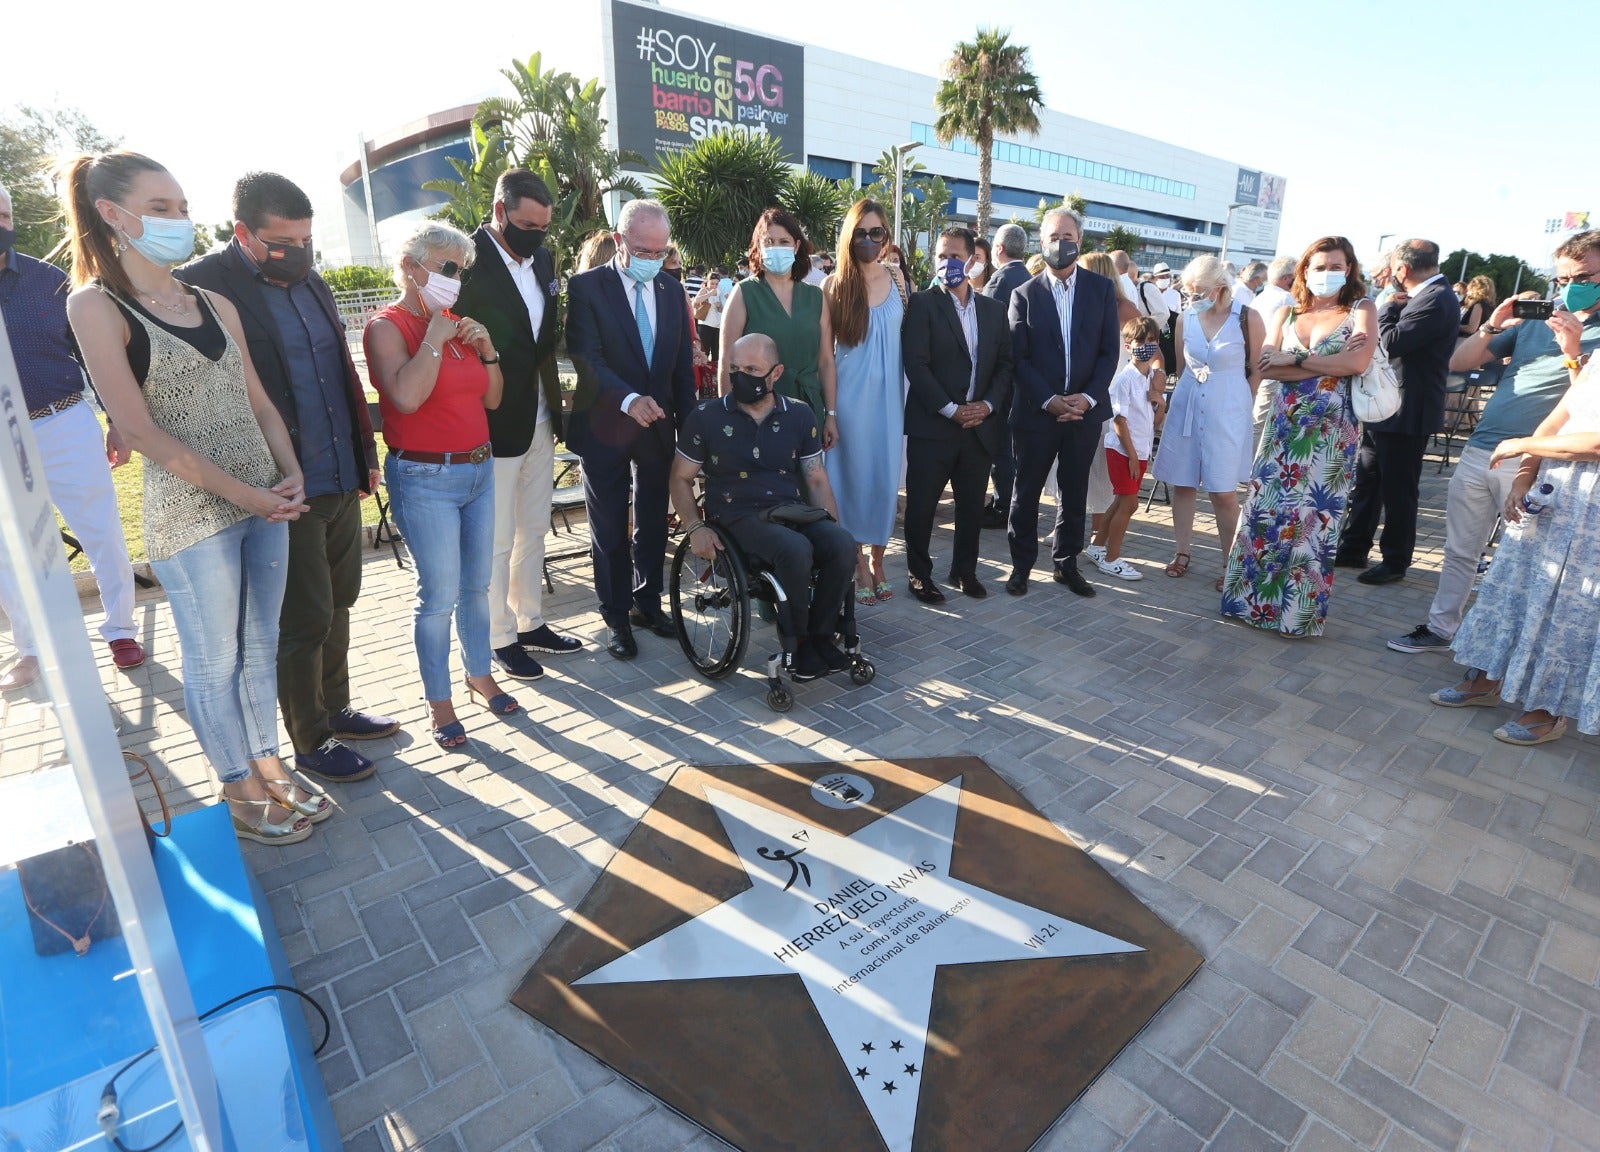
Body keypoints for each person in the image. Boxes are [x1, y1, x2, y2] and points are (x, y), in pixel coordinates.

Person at [64, 151, 317, 845]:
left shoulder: (217, 304)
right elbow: (139, 431)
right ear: (113, 215)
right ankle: (236, 786)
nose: (179, 221)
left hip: (267, 502)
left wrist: (288, 473)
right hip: (191, 516)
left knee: (261, 649)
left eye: (181, 207)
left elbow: (259, 402)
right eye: (161, 208)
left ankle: (269, 764)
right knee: (215, 661)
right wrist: (250, 496)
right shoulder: (94, 306)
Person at [177, 171, 393, 783]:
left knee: (341, 601)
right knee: (303, 618)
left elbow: (338, 374)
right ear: (242, 233)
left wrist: (363, 450)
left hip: (340, 473)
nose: (297, 252)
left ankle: (336, 706)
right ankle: (310, 738)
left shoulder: (313, 283)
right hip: (278, 487)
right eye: (282, 242)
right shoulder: (199, 288)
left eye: (306, 239)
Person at [1389, 230, 1600, 654]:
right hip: (1483, 448)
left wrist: (1572, 349)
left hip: (1540, 462)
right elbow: (1459, 361)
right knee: (1460, 549)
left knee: (1527, 561)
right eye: (1562, 280)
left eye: (1584, 277)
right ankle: (1441, 628)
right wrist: (1492, 323)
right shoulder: (1538, 318)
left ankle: (1507, 651)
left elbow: (1583, 406)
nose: (1570, 289)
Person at [366, 221, 520, 746]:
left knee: (476, 588)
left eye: (462, 270)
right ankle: (440, 703)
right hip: (426, 476)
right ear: (411, 266)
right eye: (447, 267)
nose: (456, 279)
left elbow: (492, 399)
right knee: (438, 596)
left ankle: (479, 676)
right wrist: (433, 338)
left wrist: (489, 348)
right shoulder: (388, 328)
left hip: (478, 469)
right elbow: (405, 399)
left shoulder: (458, 325)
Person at [0, 180, 143, 692]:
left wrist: (115, 419)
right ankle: (32, 649)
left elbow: (92, 356)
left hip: (62, 423)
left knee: (99, 529)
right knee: (8, 549)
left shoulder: (49, 282)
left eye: (3, 214)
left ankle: (121, 629)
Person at [1428, 356, 1600, 745]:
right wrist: (1525, 475)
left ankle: (1546, 710)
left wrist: (1522, 445)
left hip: (1593, 518)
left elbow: (1596, 443)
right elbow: (1554, 422)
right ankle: (1487, 679)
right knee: (1513, 586)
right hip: (1554, 495)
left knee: (1570, 609)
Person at [454, 171, 582, 688]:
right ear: (500, 211)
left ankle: (530, 620)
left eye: (544, 227)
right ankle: (498, 637)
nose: (536, 234)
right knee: (497, 537)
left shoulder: (544, 259)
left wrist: (557, 405)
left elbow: (544, 341)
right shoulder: (465, 261)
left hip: (539, 416)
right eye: (527, 224)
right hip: (492, 421)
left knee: (534, 527)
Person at [670, 333, 856, 680]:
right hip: (734, 516)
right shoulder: (706, 416)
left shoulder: (799, 415)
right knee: (795, 548)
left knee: (841, 544)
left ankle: (821, 636)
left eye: (752, 369)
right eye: (735, 368)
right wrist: (696, 527)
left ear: (776, 373)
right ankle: (797, 644)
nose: (741, 376)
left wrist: (833, 526)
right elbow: (680, 478)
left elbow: (815, 479)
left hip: (788, 510)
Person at [1222, 236, 1376, 635]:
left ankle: (1295, 615)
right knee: (1267, 511)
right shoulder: (1287, 313)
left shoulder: (1361, 309)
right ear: (1305, 271)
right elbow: (1267, 366)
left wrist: (1297, 359)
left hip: (1332, 431)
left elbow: (1358, 362)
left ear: (1350, 270)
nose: (1328, 273)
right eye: (1320, 266)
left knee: (1313, 520)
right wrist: (1325, 364)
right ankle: (1249, 603)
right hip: (1284, 425)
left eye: (1336, 266)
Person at [564, 199, 697, 659]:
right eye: (643, 250)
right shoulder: (586, 288)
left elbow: (681, 365)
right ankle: (616, 616)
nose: (652, 260)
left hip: (658, 428)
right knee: (609, 527)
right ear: (619, 241)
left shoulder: (670, 288)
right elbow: (588, 358)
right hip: (604, 425)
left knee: (654, 522)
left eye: (660, 251)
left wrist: (691, 429)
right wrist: (627, 399)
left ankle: (647, 602)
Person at [1004, 207, 1120, 597]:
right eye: (1053, 237)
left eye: (1068, 237)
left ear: (1080, 241)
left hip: (1084, 414)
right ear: (1041, 242)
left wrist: (1085, 399)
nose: (1061, 244)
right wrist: (1050, 400)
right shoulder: (1024, 294)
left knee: (1074, 492)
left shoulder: (1101, 290)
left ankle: (1065, 563)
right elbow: (1017, 358)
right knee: (1027, 491)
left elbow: (1109, 352)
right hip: (1038, 414)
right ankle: (1021, 566)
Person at [1334, 240, 1462, 585]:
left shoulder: (1436, 298)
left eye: (1392, 269)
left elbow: (1389, 341)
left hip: (1408, 410)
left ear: (1402, 270)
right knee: (1369, 479)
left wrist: (1387, 309)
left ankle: (1395, 560)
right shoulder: (1428, 295)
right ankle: (1353, 547)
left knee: (1398, 490)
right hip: (1388, 406)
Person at [901, 225, 1014, 603]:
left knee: (971, 507)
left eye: (953, 256)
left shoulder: (994, 310)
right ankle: (919, 575)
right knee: (922, 507)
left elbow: (1004, 366)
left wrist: (987, 405)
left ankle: (965, 570)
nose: (946, 263)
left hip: (979, 428)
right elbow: (916, 365)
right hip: (933, 425)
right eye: (940, 256)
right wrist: (951, 409)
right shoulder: (922, 303)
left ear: (972, 260)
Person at [1150, 255, 1263, 590]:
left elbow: (1257, 368)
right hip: (1188, 402)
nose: (1191, 296)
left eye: (1198, 291)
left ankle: (1232, 562)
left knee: (1223, 491)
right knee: (1183, 482)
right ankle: (1182, 551)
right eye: (1187, 290)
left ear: (1220, 288)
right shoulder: (1186, 317)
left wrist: (1244, 403)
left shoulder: (1248, 317)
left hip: (1227, 408)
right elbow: (1182, 368)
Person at [824, 199, 904, 603]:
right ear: (849, 237)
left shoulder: (899, 280)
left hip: (891, 400)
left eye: (877, 233)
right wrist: (832, 413)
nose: (870, 240)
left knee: (884, 479)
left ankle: (879, 559)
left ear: (886, 237)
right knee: (850, 478)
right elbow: (826, 357)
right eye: (861, 233)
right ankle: (857, 560)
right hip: (850, 401)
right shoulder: (834, 285)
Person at [720, 209, 838, 437]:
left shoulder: (816, 297)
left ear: (796, 246)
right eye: (769, 242)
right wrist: (727, 416)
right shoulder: (744, 293)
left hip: (808, 409)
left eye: (783, 241)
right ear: (759, 248)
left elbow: (825, 361)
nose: (776, 247)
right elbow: (726, 361)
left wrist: (831, 414)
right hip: (755, 411)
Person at [1090, 317, 1163, 581]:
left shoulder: (1151, 378)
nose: (1146, 346)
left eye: (1151, 341)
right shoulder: (1124, 380)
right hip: (1123, 451)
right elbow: (1119, 421)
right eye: (1141, 342)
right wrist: (1131, 456)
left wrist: (1160, 403)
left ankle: (1098, 546)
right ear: (1128, 346)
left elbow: (1154, 421)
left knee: (1122, 500)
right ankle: (1112, 558)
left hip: (1140, 449)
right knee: (1130, 504)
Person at [1079, 252, 1142, 549]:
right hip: (1083, 391)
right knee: (1080, 464)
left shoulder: (1126, 308)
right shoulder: (1083, 305)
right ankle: (1076, 524)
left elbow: (1146, 345)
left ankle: (1098, 530)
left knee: (1103, 466)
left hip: (1113, 392)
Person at [982, 222, 1032, 528]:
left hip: (1000, 377)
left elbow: (987, 332)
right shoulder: (1030, 278)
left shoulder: (999, 281)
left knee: (1000, 446)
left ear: (998, 249)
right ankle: (1012, 503)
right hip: (1022, 377)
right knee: (1012, 447)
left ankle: (1003, 506)